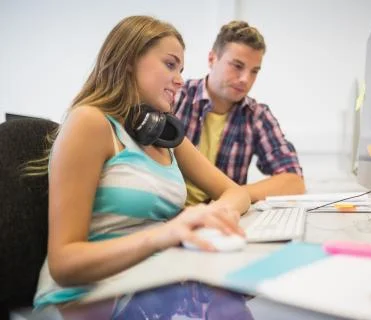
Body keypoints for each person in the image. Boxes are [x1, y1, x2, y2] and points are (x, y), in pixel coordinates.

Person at [30, 15, 250, 309]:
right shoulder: (90, 123)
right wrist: (165, 234)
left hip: (150, 291)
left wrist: (218, 217)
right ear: (129, 60)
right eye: (170, 64)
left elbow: (237, 192)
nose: (180, 79)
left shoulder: (165, 137)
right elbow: (64, 263)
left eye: (181, 69)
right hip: (87, 300)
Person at [174, 20, 305, 205]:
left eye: (254, 71)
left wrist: (232, 196)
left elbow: (294, 181)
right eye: (237, 66)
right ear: (212, 59)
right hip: (169, 220)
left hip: (222, 219)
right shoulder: (176, 98)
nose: (245, 79)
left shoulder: (256, 115)